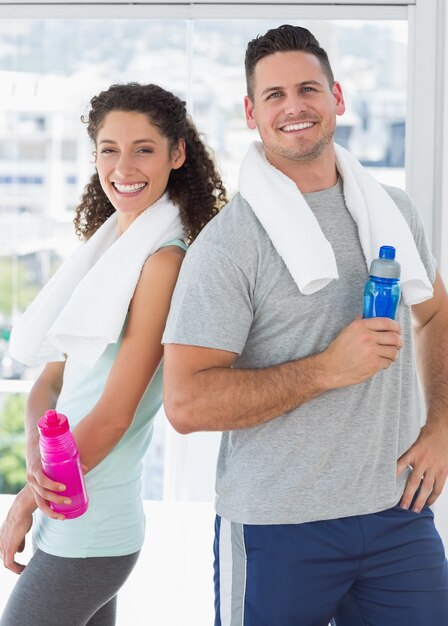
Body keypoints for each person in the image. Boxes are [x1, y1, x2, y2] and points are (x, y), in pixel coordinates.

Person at [162, 25, 448, 625]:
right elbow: (185, 403)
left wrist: (442, 426)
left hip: (396, 514)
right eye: (274, 95)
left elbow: (435, 313)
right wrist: (325, 370)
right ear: (251, 112)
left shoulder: (393, 212)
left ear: (336, 98)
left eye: (308, 88)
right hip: (277, 528)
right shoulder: (229, 246)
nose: (294, 106)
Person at [0, 82, 227, 626]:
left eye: (143, 148)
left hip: (94, 528)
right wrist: (36, 462)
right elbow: (50, 383)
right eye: (108, 148)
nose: (122, 165)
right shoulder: (108, 253)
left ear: (177, 155)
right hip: (69, 509)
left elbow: (117, 411)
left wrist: (28, 498)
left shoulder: (163, 262)